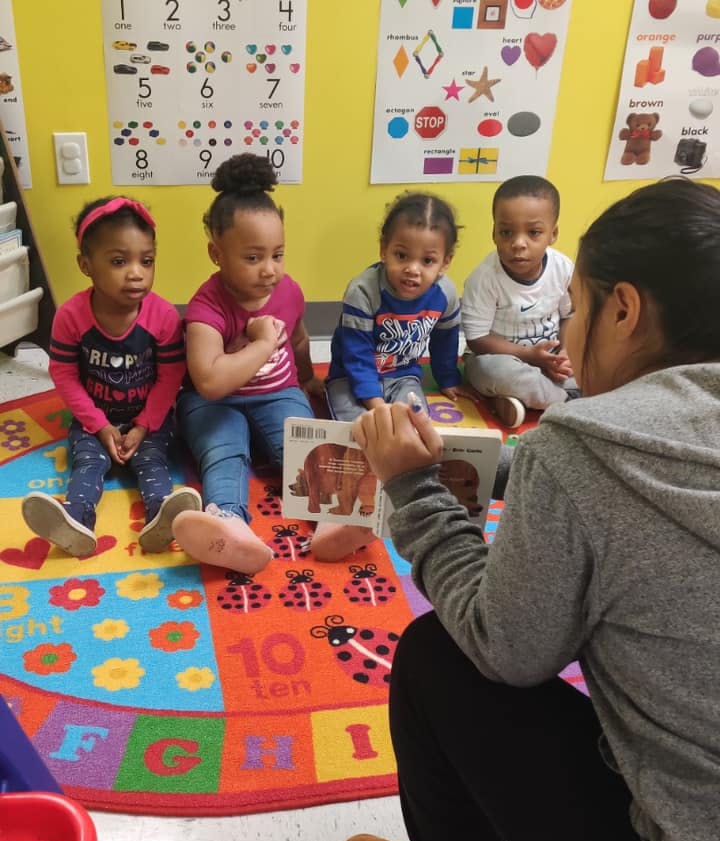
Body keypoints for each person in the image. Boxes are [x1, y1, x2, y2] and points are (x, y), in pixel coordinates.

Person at [333, 178, 720, 841]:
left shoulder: (582, 445)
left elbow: (504, 649)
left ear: (624, 310)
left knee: (436, 658)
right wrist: (509, 470)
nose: (566, 323)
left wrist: (411, 488)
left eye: (573, 304)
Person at [22, 197, 200, 558]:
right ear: (86, 265)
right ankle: (74, 520)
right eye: (119, 261)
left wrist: (144, 426)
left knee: (151, 462)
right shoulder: (71, 316)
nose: (136, 272)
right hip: (94, 420)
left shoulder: (163, 316)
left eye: (146, 261)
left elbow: (171, 376)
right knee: (89, 463)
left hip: (148, 419)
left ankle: (162, 518)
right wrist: (100, 426)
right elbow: (64, 374)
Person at [171, 153, 323, 574]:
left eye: (278, 254)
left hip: (278, 393)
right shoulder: (206, 306)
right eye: (253, 258)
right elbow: (210, 382)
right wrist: (259, 344)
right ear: (216, 253)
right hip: (216, 403)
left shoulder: (288, 290)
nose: (269, 270)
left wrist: (307, 380)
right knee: (225, 454)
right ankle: (228, 525)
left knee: (303, 449)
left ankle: (334, 518)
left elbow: (298, 338)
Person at [311, 192, 465, 562]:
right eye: (402, 255)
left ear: (445, 262)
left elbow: (446, 337)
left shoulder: (445, 293)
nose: (413, 269)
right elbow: (356, 352)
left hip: (402, 376)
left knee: (415, 429)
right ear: (384, 250)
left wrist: (446, 376)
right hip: (350, 378)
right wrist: (374, 403)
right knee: (357, 433)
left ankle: (403, 501)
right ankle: (342, 517)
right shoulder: (364, 289)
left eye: (427, 260)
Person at [462, 175, 576, 429]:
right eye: (506, 232)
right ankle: (568, 403)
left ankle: (520, 400)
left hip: (550, 359)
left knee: (598, 358)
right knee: (493, 372)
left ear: (553, 234)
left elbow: (569, 316)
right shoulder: (484, 278)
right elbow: (477, 339)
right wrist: (530, 356)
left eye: (534, 233)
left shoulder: (563, 267)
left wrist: (566, 354)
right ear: (494, 234)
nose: (518, 243)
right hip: (499, 358)